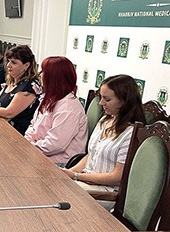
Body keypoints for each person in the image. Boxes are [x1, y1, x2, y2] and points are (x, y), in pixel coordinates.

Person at [62, 74, 145, 209]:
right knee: (56, 184)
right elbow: (91, 154)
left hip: (106, 191)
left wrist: (76, 176)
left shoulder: (130, 133)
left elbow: (117, 177)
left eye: (107, 99)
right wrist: (68, 173)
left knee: (61, 193)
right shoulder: (105, 121)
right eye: (101, 97)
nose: (101, 103)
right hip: (86, 181)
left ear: (124, 101)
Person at [24, 56, 87, 166]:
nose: (40, 75)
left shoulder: (68, 108)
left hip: (58, 163)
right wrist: (27, 141)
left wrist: (30, 146)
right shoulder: (49, 98)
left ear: (53, 77)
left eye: (43, 71)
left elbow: (55, 144)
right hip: (40, 153)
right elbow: (33, 125)